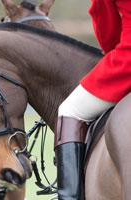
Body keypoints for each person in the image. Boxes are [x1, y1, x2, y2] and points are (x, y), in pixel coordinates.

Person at [55, 0, 131, 199]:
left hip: (128, 61)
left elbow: (106, 24)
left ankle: (69, 196)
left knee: (70, 110)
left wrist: (111, 52)